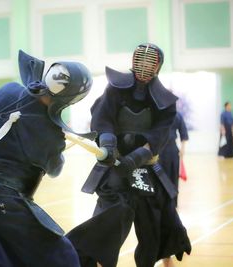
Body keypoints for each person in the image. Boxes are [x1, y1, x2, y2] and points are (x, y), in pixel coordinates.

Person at [0, 50, 93, 267]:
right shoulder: (50, 133)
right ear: (69, 99)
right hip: (2, 205)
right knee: (62, 258)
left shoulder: (9, 90)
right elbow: (54, 169)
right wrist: (58, 147)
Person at [67, 43, 191, 267]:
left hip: (147, 169)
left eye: (149, 61)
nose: (143, 65)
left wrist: (137, 157)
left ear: (157, 66)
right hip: (115, 166)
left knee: (154, 224)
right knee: (107, 221)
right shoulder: (115, 89)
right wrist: (108, 143)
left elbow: (159, 135)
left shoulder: (165, 102)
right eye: (140, 60)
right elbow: (103, 116)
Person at [159, 112, 189, 207]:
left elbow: (183, 132)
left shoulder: (177, 115)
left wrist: (183, 149)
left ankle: (173, 202)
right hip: (159, 150)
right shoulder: (159, 114)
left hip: (172, 150)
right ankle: (161, 201)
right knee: (160, 177)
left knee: (173, 176)